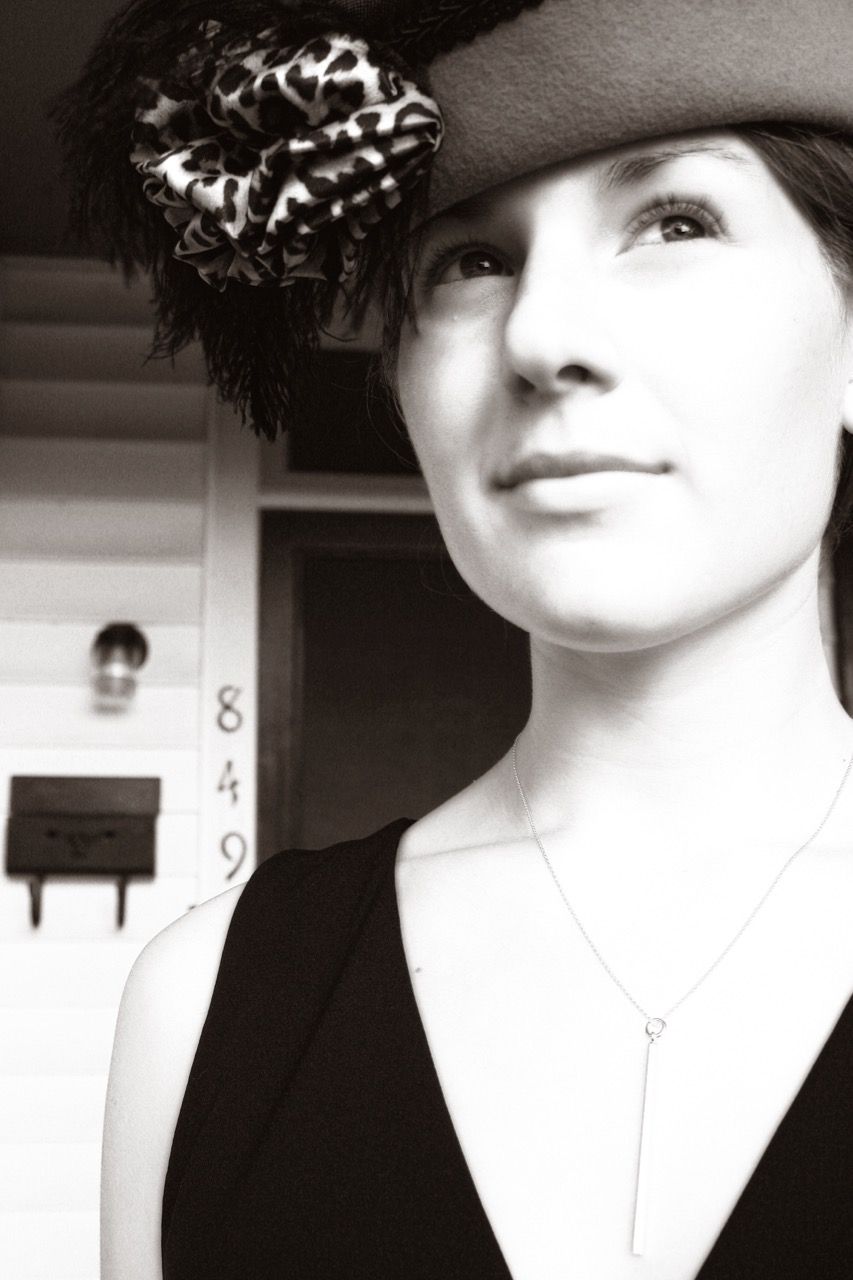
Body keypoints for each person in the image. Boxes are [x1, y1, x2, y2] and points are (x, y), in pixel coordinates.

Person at [56, 1, 853, 1276]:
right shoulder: (202, 1006)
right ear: (402, 386)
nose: (542, 336)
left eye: (675, 222)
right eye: (470, 261)